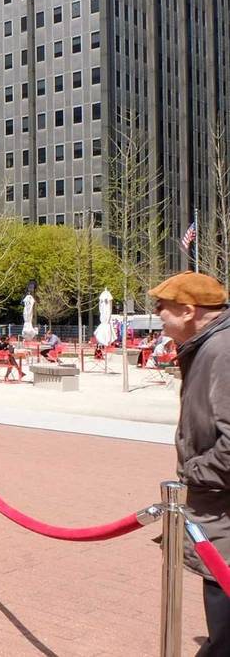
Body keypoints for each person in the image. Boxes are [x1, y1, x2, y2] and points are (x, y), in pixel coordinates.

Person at [148, 271, 230, 656]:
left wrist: (193, 474)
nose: (158, 316)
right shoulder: (209, 347)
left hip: (222, 518)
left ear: (188, 310)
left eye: (162, 307)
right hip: (216, 515)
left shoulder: (221, 351)